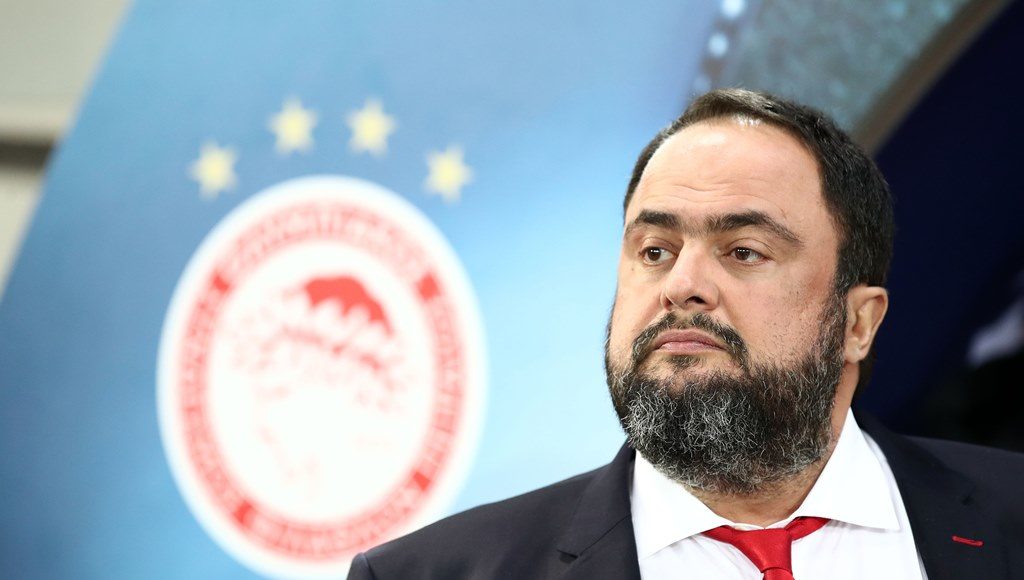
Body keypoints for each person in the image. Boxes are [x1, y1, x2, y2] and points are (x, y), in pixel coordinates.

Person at [347, 89, 1024, 579]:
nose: (682, 285)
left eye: (744, 251)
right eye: (655, 251)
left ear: (857, 323)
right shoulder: (431, 573)